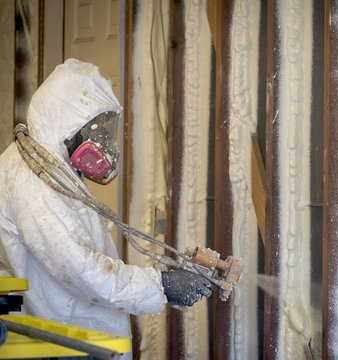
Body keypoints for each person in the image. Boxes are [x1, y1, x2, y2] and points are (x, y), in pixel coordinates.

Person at [0, 59, 214, 344]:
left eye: (105, 130)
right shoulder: (35, 187)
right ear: (66, 125)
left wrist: (162, 280)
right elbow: (81, 270)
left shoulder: (46, 161)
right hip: (63, 337)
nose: (102, 143)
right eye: (94, 131)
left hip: (68, 326)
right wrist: (161, 285)